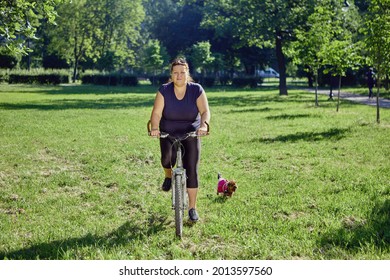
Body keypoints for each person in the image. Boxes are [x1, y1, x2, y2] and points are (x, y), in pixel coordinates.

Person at [149, 58, 211, 222]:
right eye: (175, 73)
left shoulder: (196, 89)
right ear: (171, 74)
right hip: (168, 132)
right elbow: (156, 114)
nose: (179, 76)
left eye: (182, 73)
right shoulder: (164, 90)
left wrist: (204, 126)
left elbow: (205, 111)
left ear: (187, 73)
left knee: (191, 169)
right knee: (166, 159)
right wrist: (155, 128)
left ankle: (192, 208)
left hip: (190, 132)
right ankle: (169, 176)